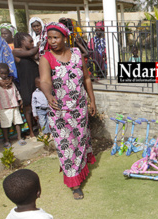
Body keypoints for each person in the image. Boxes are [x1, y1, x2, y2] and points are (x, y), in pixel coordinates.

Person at [39, 22, 96, 200]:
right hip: (60, 112)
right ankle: (75, 184)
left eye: (56, 37)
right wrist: (49, 95)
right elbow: (45, 81)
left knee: (80, 141)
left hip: (79, 109)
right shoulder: (46, 58)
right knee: (67, 147)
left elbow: (86, 78)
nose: (53, 41)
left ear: (65, 37)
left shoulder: (77, 54)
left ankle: (80, 171)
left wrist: (91, 101)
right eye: (50, 38)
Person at [0, 63, 26, 148]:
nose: (4, 75)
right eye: (2, 73)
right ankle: (6, 140)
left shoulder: (10, 80)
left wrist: (19, 100)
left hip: (14, 104)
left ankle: (19, 137)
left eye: (6, 73)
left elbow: (15, 91)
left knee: (17, 122)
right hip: (3, 107)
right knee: (5, 124)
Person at [14, 32, 39, 139]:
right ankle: (31, 132)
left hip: (35, 82)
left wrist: (35, 48)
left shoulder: (31, 51)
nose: (32, 43)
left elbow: (36, 55)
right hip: (26, 84)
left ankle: (40, 128)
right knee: (28, 108)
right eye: (30, 41)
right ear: (23, 42)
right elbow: (32, 53)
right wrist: (38, 46)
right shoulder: (16, 52)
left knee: (38, 106)